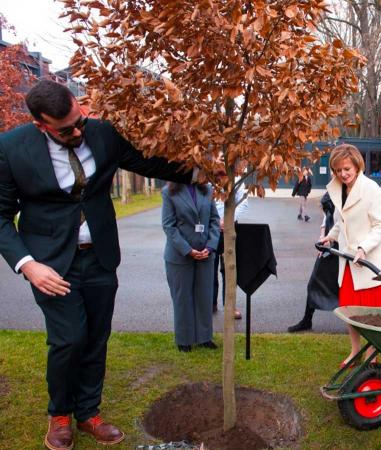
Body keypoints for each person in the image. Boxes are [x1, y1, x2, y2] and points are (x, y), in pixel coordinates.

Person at [0, 80, 198, 450]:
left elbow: (147, 162)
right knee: (69, 338)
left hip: (101, 256)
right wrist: (28, 265)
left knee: (96, 337)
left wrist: (203, 171)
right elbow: (0, 215)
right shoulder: (11, 149)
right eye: (66, 129)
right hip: (51, 264)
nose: (78, 131)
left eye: (80, 120)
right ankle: (60, 415)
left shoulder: (102, 133)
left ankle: (89, 413)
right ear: (42, 125)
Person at [319, 144, 381, 367]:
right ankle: (355, 351)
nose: (343, 174)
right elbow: (341, 222)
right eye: (339, 170)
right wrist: (330, 237)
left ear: (357, 165)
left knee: (372, 315)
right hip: (348, 262)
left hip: (370, 264)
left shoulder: (372, 190)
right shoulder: (339, 188)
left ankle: (372, 355)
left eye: (347, 169)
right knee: (350, 311)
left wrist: (363, 248)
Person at [161, 182, 220, 352]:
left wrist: (210, 247)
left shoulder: (208, 190)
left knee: (204, 297)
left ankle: (204, 337)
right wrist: (188, 250)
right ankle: (184, 340)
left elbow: (215, 220)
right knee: (182, 298)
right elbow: (168, 226)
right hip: (179, 255)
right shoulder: (168, 192)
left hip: (205, 254)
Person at [287, 191, 338, 332]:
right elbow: (326, 218)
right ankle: (307, 320)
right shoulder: (333, 190)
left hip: (345, 248)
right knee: (314, 283)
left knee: (348, 289)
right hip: (329, 245)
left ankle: (357, 325)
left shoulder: (352, 193)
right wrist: (322, 237)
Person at [213, 184, 249, 317]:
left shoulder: (237, 180)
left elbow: (243, 203)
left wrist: (228, 220)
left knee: (228, 268)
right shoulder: (209, 177)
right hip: (212, 227)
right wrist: (216, 221)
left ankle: (230, 306)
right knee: (210, 266)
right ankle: (211, 303)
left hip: (230, 228)